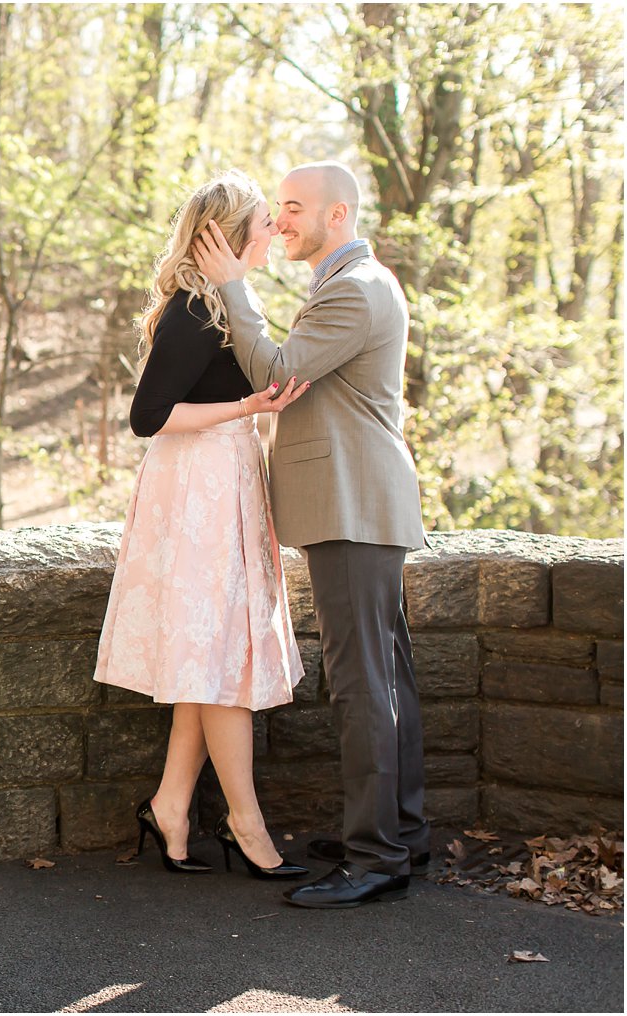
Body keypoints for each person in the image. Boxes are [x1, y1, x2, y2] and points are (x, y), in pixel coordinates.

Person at [192, 161, 429, 909]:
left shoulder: (355, 291)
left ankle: (378, 856)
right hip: (355, 507)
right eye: (279, 208)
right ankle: (400, 834)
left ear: (340, 216)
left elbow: (279, 375)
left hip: (354, 508)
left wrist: (234, 286)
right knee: (385, 677)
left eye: (294, 207)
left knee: (363, 685)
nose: (281, 220)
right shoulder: (348, 285)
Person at [93, 170, 309, 882]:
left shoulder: (222, 302)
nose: (274, 231)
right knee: (220, 667)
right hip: (197, 490)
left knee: (209, 658)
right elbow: (146, 418)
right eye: (262, 221)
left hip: (223, 477)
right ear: (223, 234)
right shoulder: (195, 307)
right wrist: (248, 408)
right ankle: (246, 825)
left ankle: (172, 806)